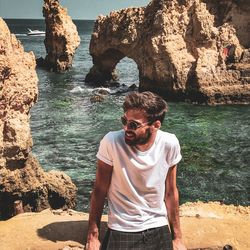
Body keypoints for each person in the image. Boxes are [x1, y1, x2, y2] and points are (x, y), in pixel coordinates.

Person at [86, 91, 186, 250]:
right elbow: (99, 190)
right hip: (122, 228)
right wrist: (93, 236)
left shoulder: (169, 143)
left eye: (133, 124)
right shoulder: (111, 142)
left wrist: (177, 238)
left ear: (155, 126)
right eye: (124, 121)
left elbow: (170, 191)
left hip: (158, 226)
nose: (126, 128)